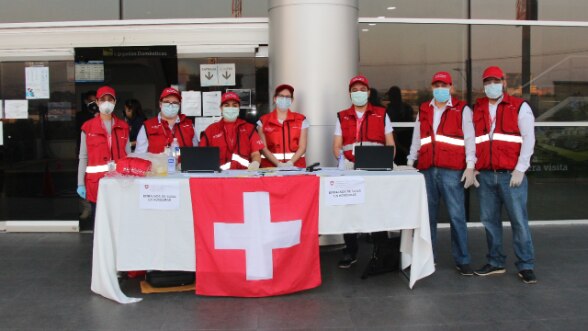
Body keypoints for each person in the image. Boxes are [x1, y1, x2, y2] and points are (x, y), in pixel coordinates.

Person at [407, 72, 476, 276]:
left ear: (451, 88)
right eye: (436, 85)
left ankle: (462, 259)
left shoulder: (462, 109)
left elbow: (470, 138)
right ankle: (428, 258)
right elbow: (417, 137)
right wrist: (411, 161)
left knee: (457, 216)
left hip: (452, 170)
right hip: (428, 169)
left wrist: (470, 165)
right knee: (427, 218)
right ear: (432, 87)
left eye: (444, 85)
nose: (440, 89)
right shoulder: (423, 109)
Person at [472, 66, 537, 284]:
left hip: (511, 175)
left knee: (519, 221)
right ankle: (495, 261)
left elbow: (529, 139)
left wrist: (521, 168)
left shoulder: (519, 106)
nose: (492, 85)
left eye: (495, 81)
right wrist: (473, 166)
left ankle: (526, 264)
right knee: (489, 221)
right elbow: (474, 139)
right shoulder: (478, 108)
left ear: (504, 82)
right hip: (487, 176)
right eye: (488, 82)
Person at [332, 75, 396, 268]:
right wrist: (342, 161)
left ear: (368, 92)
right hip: (350, 170)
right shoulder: (342, 116)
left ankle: (380, 252)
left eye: (362, 90)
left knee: (377, 210)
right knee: (349, 212)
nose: (358, 93)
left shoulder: (381, 113)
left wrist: (385, 160)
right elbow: (336, 146)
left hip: (375, 169)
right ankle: (350, 252)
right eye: (354, 90)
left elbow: (390, 144)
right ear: (349, 94)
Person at [77, 86, 130, 230]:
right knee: (100, 224)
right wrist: (80, 183)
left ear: (115, 102)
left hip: (120, 181)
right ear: (97, 102)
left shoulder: (123, 126)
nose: (106, 102)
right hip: (96, 183)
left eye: (110, 99)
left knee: (119, 222)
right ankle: (100, 252)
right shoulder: (87, 127)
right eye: (103, 99)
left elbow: (128, 155)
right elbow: (83, 157)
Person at [200, 91, 265, 170]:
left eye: (234, 105)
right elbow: (202, 156)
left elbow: (255, 154)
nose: (231, 108)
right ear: (221, 108)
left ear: (238, 108)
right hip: (219, 177)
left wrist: (255, 163)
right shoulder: (210, 130)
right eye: (227, 105)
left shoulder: (249, 129)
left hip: (244, 177)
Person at [257, 84, 309, 168]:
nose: (284, 99)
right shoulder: (263, 121)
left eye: (287, 97)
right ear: (275, 98)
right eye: (281, 96)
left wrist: (290, 163)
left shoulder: (301, 120)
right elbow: (263, 148)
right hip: (270, 169)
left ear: (292, 100)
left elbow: (302, 147)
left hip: (296, 168)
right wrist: (278, 164)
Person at [135, 87, 198, 154]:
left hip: (184, 164)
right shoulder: (147, 126)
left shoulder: (189, 125)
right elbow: (139, 156)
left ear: (179, 105)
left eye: (175, 102)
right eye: (167, 102)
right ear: (160, 104)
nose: (171, 105)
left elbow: (196, 153)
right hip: (157, 164)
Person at [386, 86, 414, 165]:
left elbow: (410, 125)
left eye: (392, 95)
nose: (390, 97)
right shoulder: (388, 109)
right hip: (392, 141)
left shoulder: (406, 108)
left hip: (404, 140)